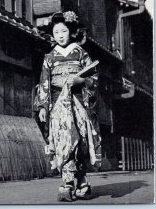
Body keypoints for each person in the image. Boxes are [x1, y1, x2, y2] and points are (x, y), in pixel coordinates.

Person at [34, 11, 101, 202]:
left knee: (79, 140)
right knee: (63, 138)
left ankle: (81, 179)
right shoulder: (50, 57)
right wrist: (42, 107)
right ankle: (68, 182)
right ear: (52, 34)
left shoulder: (81, 52)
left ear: (71, 31)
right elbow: (44, 82)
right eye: (56, 32)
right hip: (57, 104)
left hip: (78, 101)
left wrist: (81, 79)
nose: (60, 35)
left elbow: (94, 77)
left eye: (64, 31)